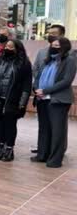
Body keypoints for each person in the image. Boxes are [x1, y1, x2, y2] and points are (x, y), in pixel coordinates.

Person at [0, 39, 32, 162]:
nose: (8, 49)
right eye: (7, 46)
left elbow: (27, 85)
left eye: (11, 47)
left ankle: (9, 149)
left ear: (17, 49)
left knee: (10, 125)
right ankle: (0, 147)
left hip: (13, 100)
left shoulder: (24, 64)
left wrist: (22, 103)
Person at [32, 37, 76, 168]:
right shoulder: (48, 60)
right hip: (42, 99)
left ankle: (55, 160)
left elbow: (66, 81)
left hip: (58, 100)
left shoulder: (70, 60)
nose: (53, 47)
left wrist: (45, 90)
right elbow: (38, 75)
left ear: (64, 47)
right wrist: (36, 89)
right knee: (44, 129)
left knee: (57, 131)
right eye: (52, 44)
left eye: (57, 45)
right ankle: (42, 155)